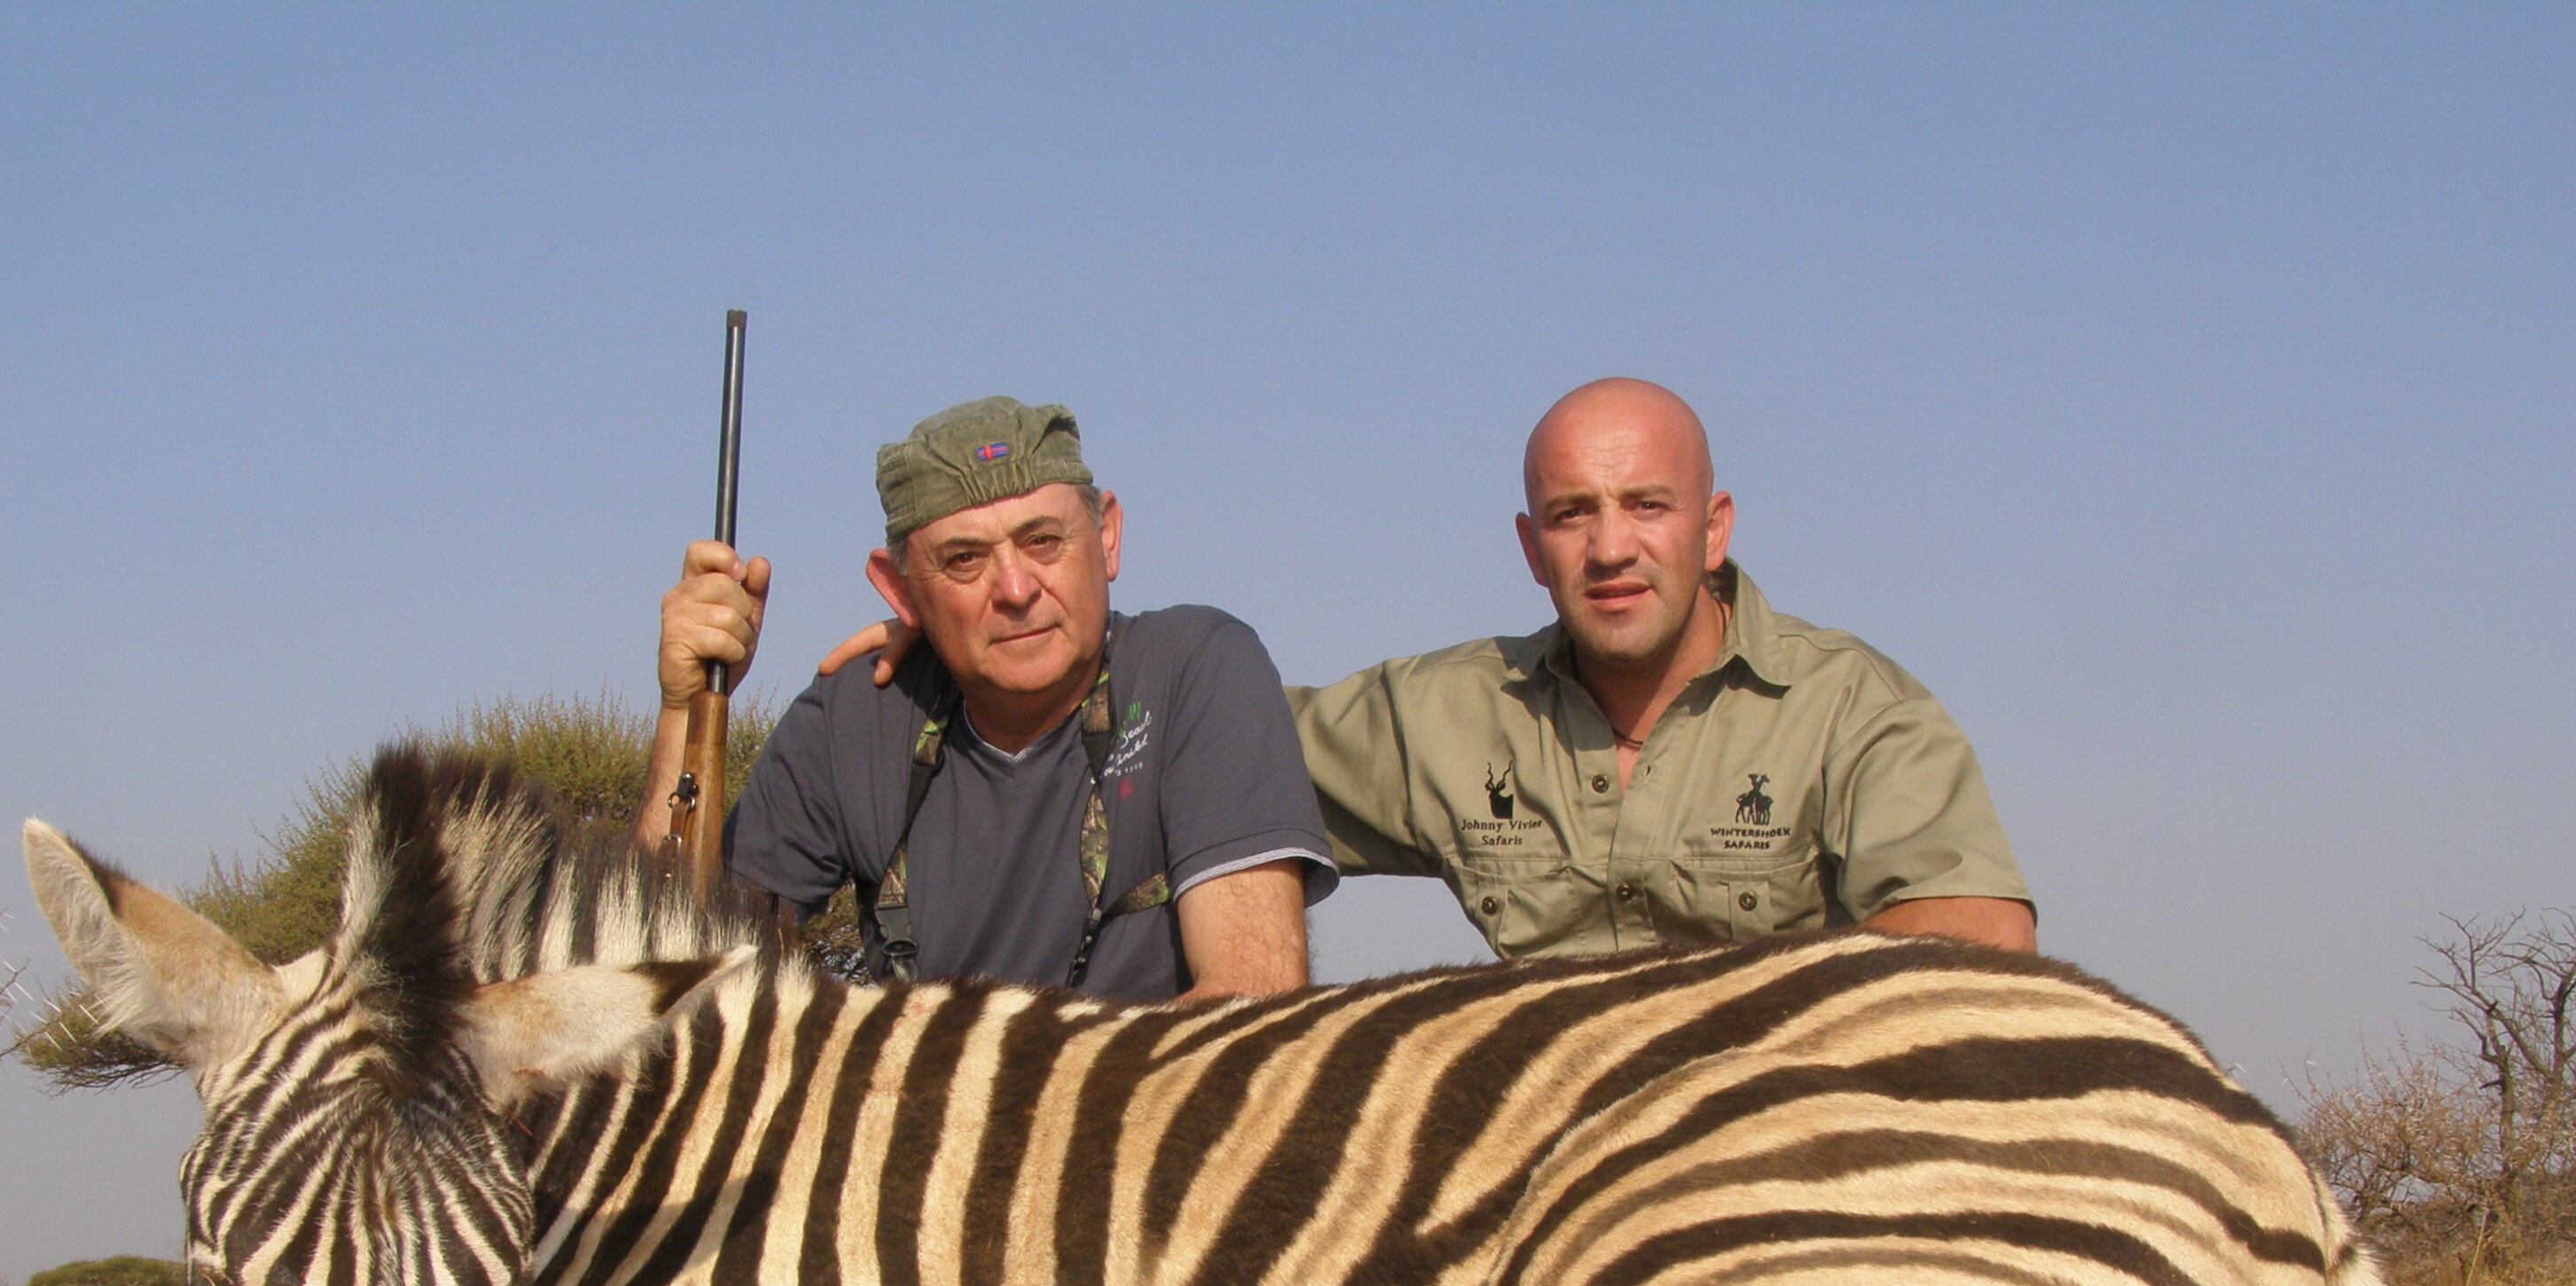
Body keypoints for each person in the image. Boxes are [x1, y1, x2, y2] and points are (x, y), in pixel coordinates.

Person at [1288, 378, 2034, 958]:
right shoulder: (1444, 715)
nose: (1611, 548)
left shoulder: (1849, 707)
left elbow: (1985, 934)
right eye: (1571, 514)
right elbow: (1216, 751)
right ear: (1530, 549)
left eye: (1647, 505)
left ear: (1712, 530)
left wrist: (1693, 1031)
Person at [637, 397, 1333, 1000]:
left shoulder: (1198, 666)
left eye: (1043, 540)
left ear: (1109, 536)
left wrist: (975, 1093)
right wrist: (684, 711)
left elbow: (1252, 1002)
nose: (1016, 589)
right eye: (964, 560)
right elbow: (668, 969)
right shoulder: (846, 718)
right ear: (901, 588)